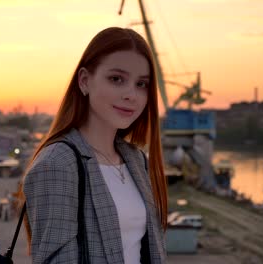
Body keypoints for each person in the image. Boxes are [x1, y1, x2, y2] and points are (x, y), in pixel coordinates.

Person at [18, 27, 167, 263]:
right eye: (117, 79)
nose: (132, 94)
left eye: (141, 84)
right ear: (85, 81)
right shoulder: (57, 164)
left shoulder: (136, 160)